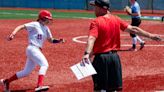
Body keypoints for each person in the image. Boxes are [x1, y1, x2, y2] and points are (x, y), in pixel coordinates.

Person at [81, 0, 161, 92]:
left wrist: (86, 54)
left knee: (100, 89)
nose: (94, 9)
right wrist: (150, 35)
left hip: (101, 60)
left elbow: (91, 39)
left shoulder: (96, 22)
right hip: (115, 59)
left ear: (102, 8)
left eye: (95, 7)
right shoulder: (116, 19)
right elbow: (133, 29)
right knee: (114, 89)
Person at [0, 10, 65, 92]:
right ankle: (39, 85)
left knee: (26, 72)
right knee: (45, 64)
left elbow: (51, 40)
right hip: (32, 48)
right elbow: (21, 26)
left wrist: (59, 41)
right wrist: (13, 34)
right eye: (48, 19)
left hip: (36, 50)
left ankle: (6, 81)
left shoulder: (46, 28)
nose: (49, 20)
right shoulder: (35, 24)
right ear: (42, 18)